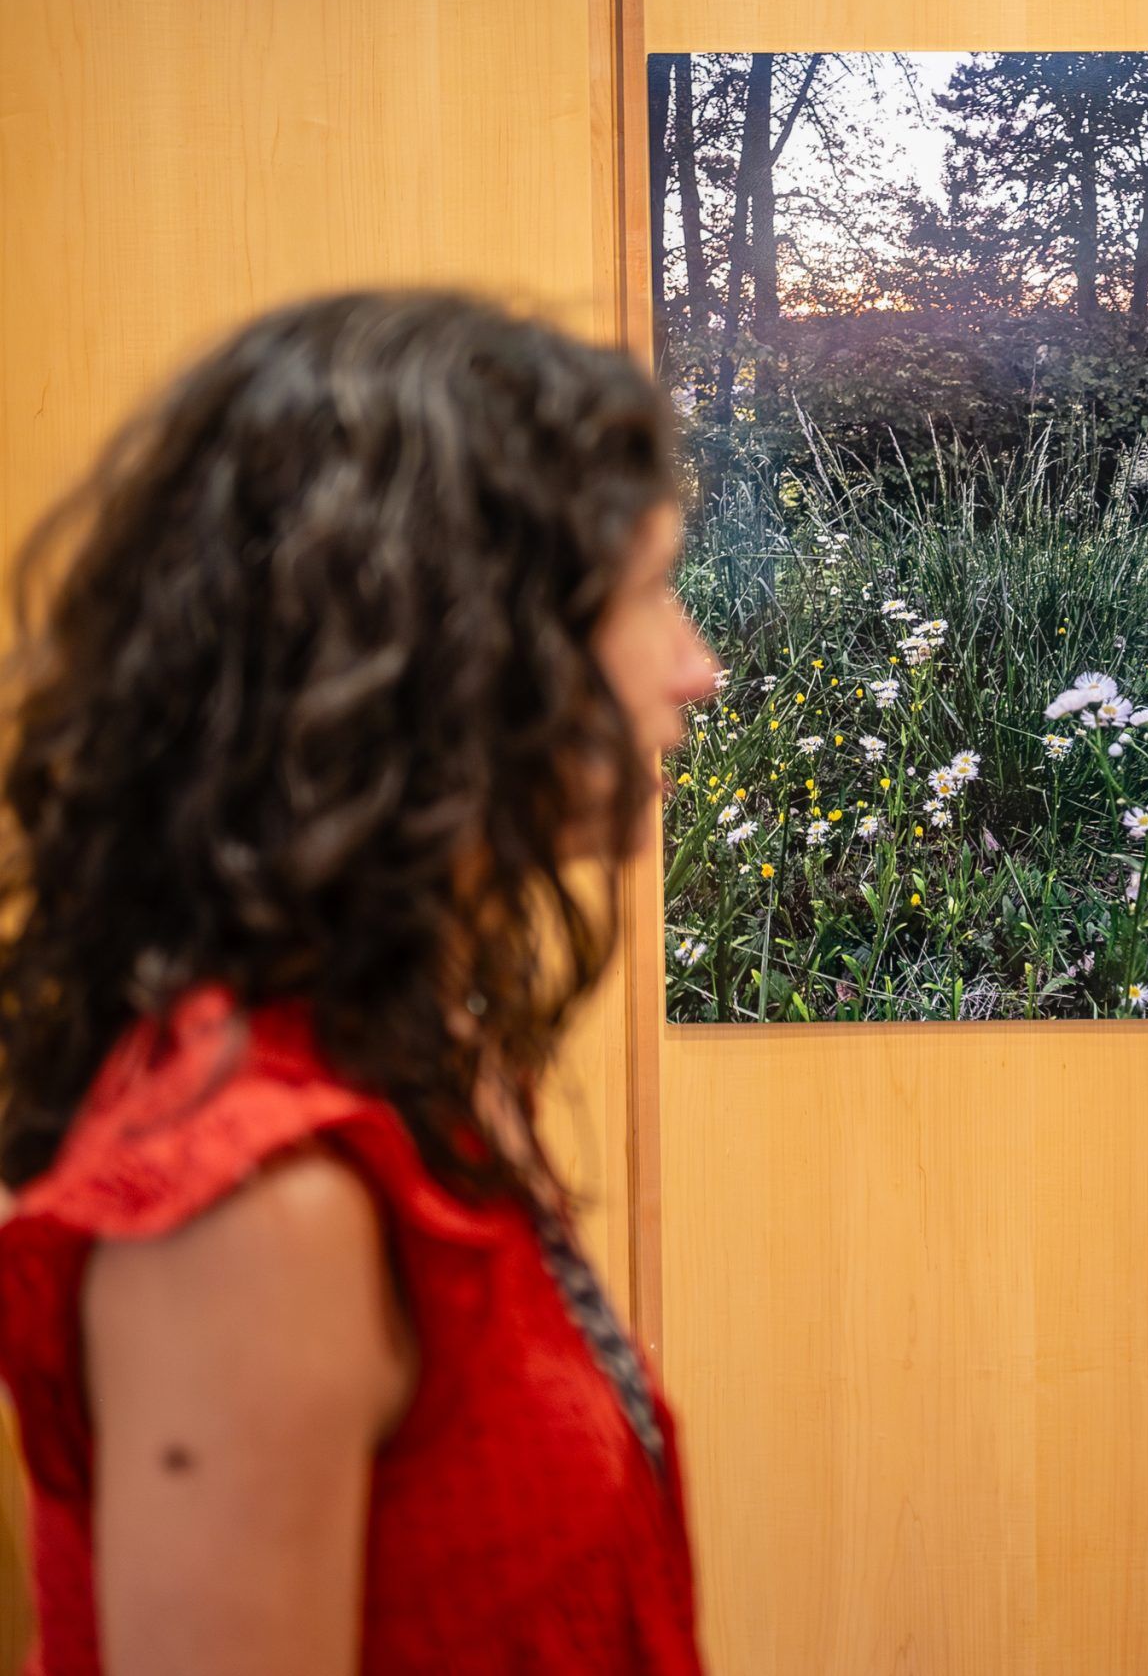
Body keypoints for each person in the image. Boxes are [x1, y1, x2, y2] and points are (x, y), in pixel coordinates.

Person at [0, 290, 721, 1673]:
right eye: (648, 596)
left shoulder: (412, 1042)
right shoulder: (256, 1199)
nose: (698, 666)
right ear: (453, 651)